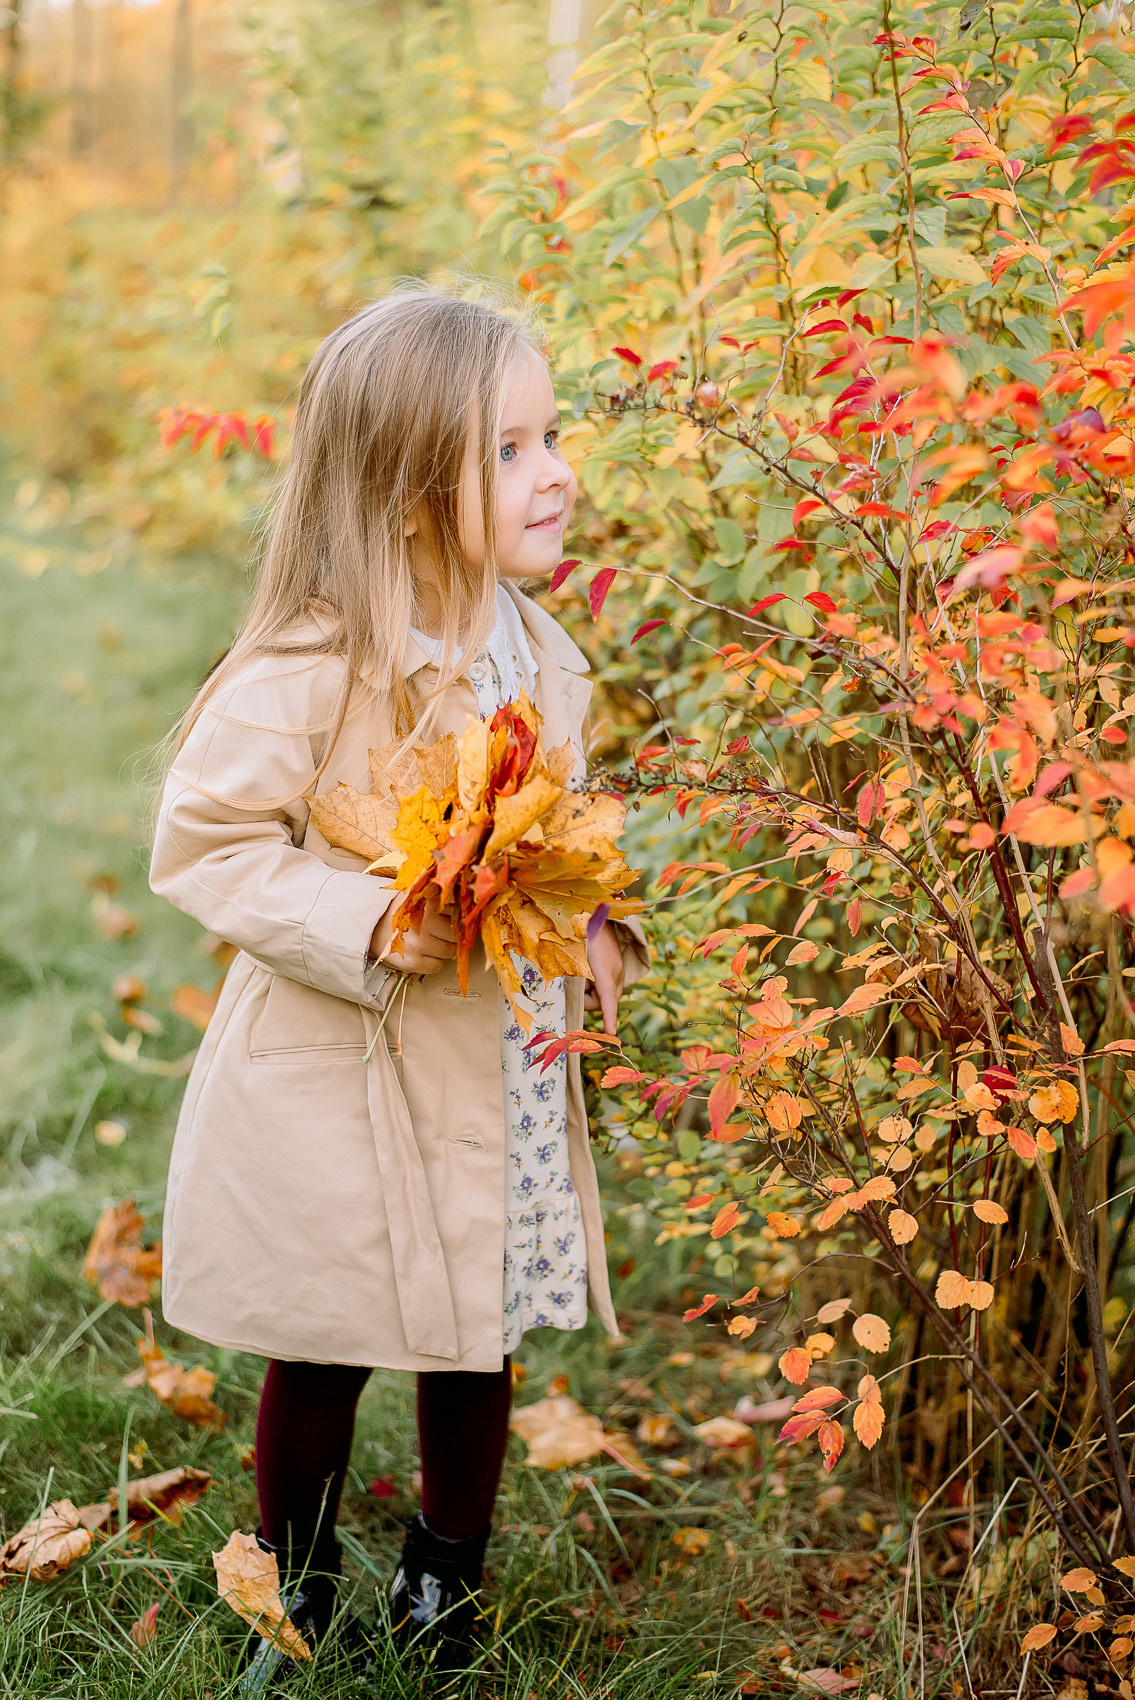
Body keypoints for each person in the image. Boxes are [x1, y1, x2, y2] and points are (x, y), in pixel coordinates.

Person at [148, 286, 649, 1686]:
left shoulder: (546, 657)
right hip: (348, 1071)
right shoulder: (316, 666)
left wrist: (591, 925)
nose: (554, 469)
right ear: (412, 490)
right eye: (509, 447)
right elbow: (205, 844)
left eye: (552, 435)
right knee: (328, 1333)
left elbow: (553, 831)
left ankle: (445, 1581)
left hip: (490, 1057)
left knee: (472, 1332)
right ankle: (294, 1586)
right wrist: (365, 920)